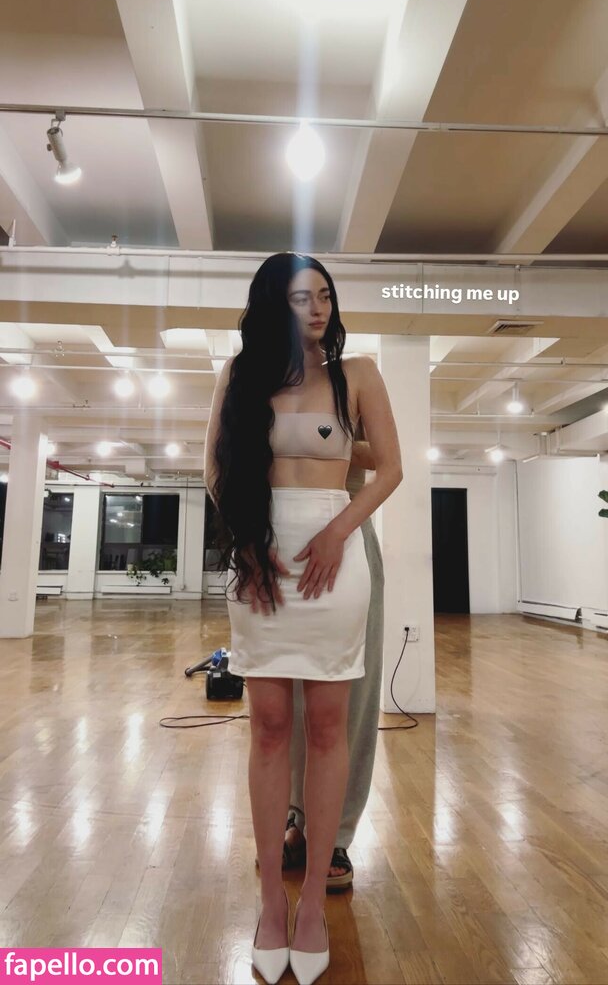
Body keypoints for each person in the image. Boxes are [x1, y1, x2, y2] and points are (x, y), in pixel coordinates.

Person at [204, 253, 401, 985]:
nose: (317, 308)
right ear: (271, 305)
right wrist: (247, 546)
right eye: (300, 297)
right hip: (260, 551)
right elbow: (216, 470)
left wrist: (339, 531)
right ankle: (268, 903)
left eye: (325, 295)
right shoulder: (240, 374)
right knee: (267, 726)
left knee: (326, 726)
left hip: (333, 551)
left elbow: (391, 469)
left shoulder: (360, 374)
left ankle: (313, 902)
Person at [286, 431, 384, 893]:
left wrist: (329, 439)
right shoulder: (260, 390)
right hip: (280, 539)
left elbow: (384, 457)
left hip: (348, 537)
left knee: (352, 697)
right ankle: (295, 817)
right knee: (281, 700)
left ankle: (337, 835)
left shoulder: (357, 389)